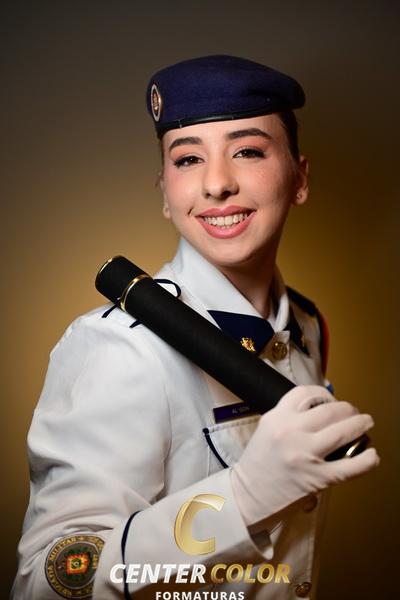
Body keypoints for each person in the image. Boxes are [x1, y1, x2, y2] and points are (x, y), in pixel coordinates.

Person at [12, 55, 379, 600]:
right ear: (165, 192)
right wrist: (243, 499)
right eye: (188, 159)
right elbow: (47, 582)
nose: (216, 184)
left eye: (247, 151)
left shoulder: (306, 324)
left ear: (300, 177)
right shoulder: (120, 348)